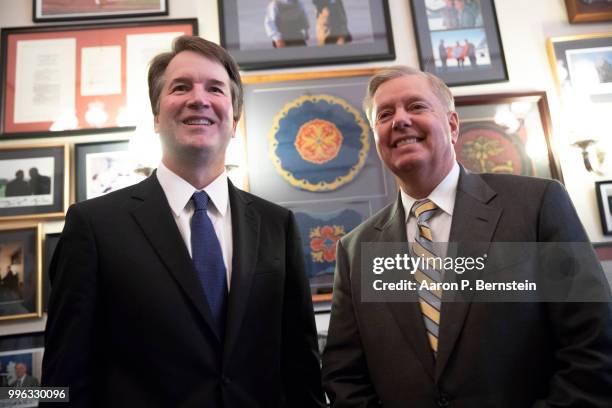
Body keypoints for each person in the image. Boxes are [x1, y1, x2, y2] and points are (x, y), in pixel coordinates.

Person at [41, 35, 325, 407]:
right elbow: (62, 378)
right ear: (157, 116)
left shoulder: (277, 224)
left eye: (215, 88)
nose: (199, 99)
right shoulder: (94, 226)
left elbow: (301, 366)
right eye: (180, 87)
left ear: (234, 119)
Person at [321, 66, 612, 407]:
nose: (399, 120)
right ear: (376, 137)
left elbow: (595, 345)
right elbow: (344, 375)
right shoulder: (355, 249)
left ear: (453, 125)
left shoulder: (537, 205)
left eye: (416, 106)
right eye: (385, 114)